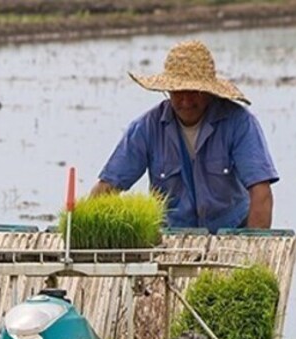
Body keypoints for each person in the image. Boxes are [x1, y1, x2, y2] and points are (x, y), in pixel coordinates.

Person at [89, 39, 278, 233]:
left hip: (231, 233)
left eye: (194, 92)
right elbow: (108, 187)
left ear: (208, 91)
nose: (186, 101)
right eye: (178, 92)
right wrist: (83, 226)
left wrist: (254, 245)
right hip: (171, 238)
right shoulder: (147, 128)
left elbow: (261, 192)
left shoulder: (239, 123)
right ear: (168, 90)